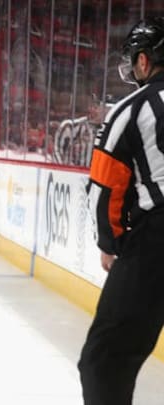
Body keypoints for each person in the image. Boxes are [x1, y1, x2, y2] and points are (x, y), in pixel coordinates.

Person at [79, 17, 164, 405]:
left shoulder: (131, 109)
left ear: (145, 62)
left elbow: (105, 187)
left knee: (105, 361)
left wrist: (110, 242)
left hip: (156, 242)